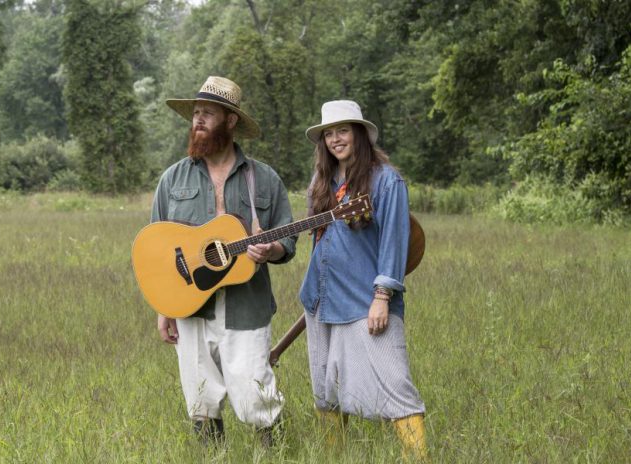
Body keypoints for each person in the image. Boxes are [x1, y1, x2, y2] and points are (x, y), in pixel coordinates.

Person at [151, 76, 297, 445]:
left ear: (230, 121)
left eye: (208, 114)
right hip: (188, 305)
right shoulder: (173, 179)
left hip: (246, 304)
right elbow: (157, 247)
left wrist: (272, 250)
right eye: (195, 113)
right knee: (201, 397)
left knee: (254, 396)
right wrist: (163, 306)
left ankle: (275, 453)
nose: (198, 120)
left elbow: (287, 236)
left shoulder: (263, 179)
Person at [298, 100, 427, 459]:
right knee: (326, 391)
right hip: (321, 301)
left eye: (342, 131)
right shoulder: (321, 184)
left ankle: (419, 459)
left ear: (358, 133)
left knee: (395, 384)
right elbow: (319, 245)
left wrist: (382, 296)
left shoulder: (386, 180)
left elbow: (394, 243)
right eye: (328, 134)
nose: (336, 139)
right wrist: (316, 293)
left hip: (366, 301)